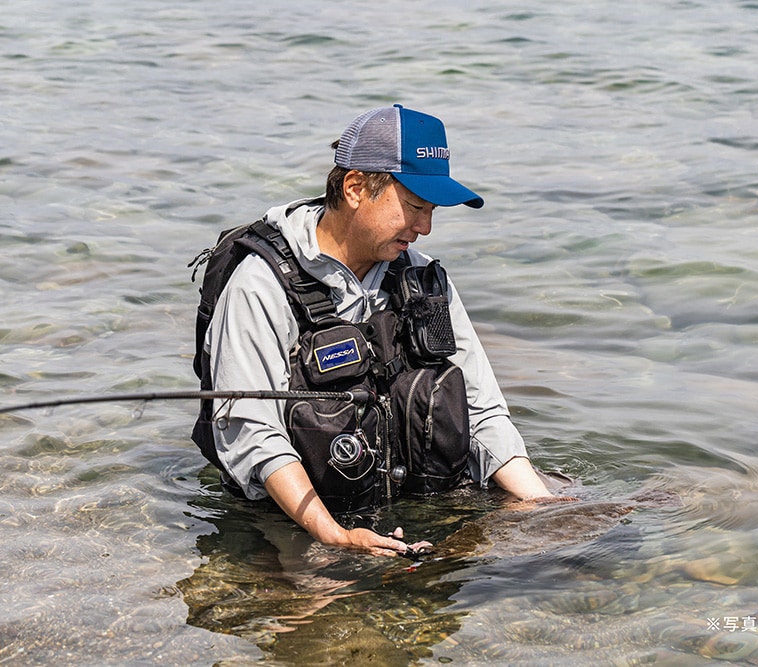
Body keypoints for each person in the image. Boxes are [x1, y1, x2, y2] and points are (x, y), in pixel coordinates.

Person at [199, 105, 553, 557]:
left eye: (432, 212)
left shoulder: (425, 280)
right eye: (414, 207)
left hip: (409, 503)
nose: (424, 228)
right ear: (355, 188)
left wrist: (541, 504)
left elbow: (482, 410)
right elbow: (252, 434)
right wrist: (335, 537)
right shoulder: (260, 285)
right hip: (296, 521)